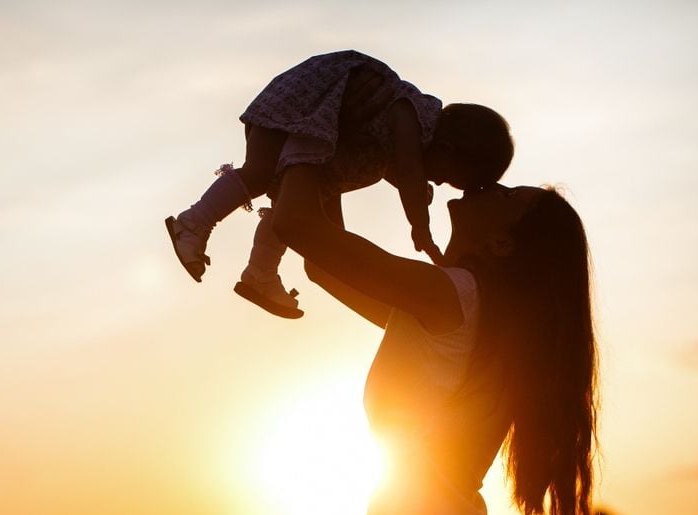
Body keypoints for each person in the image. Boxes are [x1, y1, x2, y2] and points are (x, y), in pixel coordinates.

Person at [270, 164, 599, 515]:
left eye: (503, 193)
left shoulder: (453, 296)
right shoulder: (459, 306)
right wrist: (342, 163)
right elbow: (321, 261)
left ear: (500, 241)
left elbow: (297, 224)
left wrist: (320, 122)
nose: (483, 183)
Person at [164, 50, 514, 319]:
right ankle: (193, 223)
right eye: (446, 176)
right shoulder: (415, 114)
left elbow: (399, 166)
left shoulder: (402, 134)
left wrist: (407, 183)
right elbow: (406, 167)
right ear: (449, 149)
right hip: (310, 104)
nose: (437, 181)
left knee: (299, 201)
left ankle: (260, 275)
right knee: (258, 172)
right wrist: (420, 226)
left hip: (322, 125)